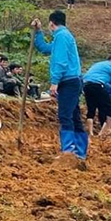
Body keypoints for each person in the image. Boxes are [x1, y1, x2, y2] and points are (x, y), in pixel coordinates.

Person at [32, 11, 87, 159]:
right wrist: (38, 32)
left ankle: (68, 151)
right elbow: (45, 48)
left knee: (65, 115)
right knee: (74, 115)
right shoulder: (62, 36)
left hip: (68, 81)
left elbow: (61, 61)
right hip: (72, 81)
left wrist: (54, 82)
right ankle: (79, 152)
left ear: (51, 23)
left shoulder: (62, 36)